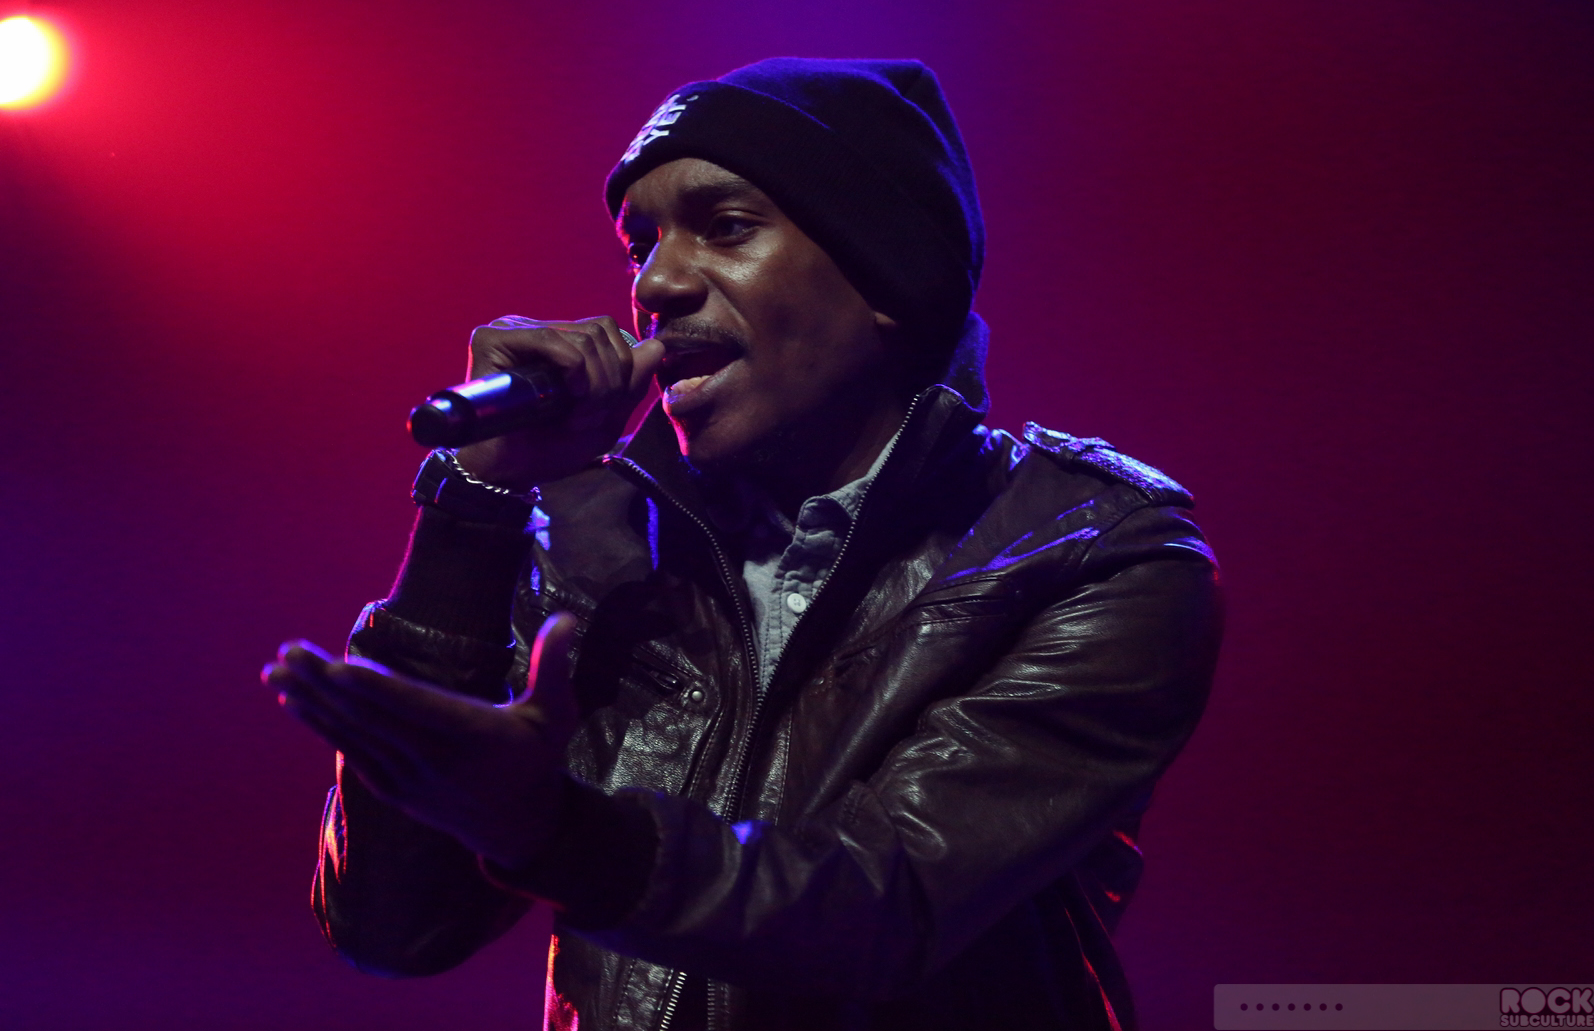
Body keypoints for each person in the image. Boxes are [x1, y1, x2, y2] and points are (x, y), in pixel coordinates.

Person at [263, 57, 1222, 1031]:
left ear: (890, 272)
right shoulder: (588, 544)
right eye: (640, 243)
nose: (657, 283)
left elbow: (886, 905)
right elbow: (393, 928)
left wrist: (556, 830)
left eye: (724, 227)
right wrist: (476, 503)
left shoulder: (1085, 549)